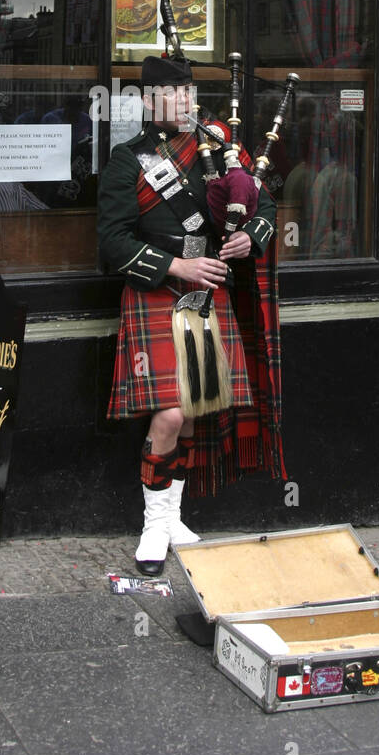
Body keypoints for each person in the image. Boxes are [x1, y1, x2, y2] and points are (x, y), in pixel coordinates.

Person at [97, 53, 286, 575]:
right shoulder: (126, 161)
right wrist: (178, 266)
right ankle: (154, 524)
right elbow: (112, 243)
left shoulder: (219, 147)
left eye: (186, 93)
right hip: (159, 289)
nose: (180, 102)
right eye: (169, 95)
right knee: (171, 413)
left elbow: (264, 203)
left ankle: (174, 517)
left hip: (209, 295)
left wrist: (253, 236)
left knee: (195, 408)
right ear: (146, 101)